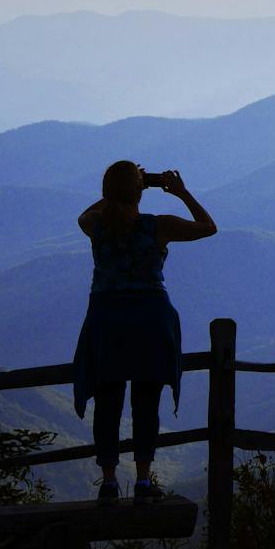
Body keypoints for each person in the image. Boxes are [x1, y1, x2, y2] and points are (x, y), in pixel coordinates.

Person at [73, 161, 217, 504]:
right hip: (150, 318)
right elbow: (208, 227)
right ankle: (142, 481)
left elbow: (86, 213)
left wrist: (122, 188)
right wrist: (180, 192)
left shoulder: (95, 225)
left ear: (106, 192)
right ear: (139, 192)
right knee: (146, 402)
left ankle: (108, 481)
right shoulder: (157, 227)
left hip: (107, 318)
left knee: (108, 401)